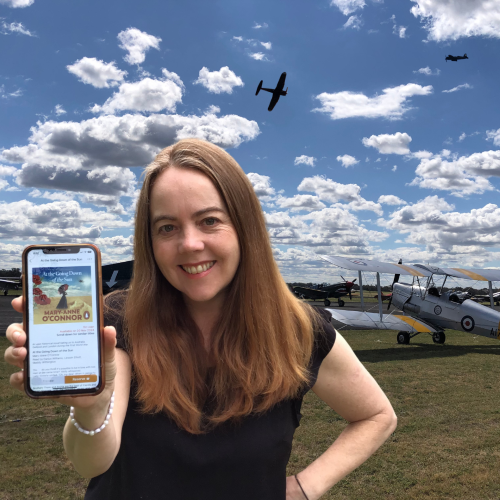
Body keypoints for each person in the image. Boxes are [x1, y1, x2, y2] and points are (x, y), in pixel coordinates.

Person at [5, 138, 397, 500]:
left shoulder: (299, 330)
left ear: (245, 228)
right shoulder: (120, 322)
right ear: (151, 241)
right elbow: (92, 462)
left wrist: (305, 487)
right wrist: (91, 408)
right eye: (167, 227)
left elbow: (377, 415)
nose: (190, 244)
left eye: (210, 220)